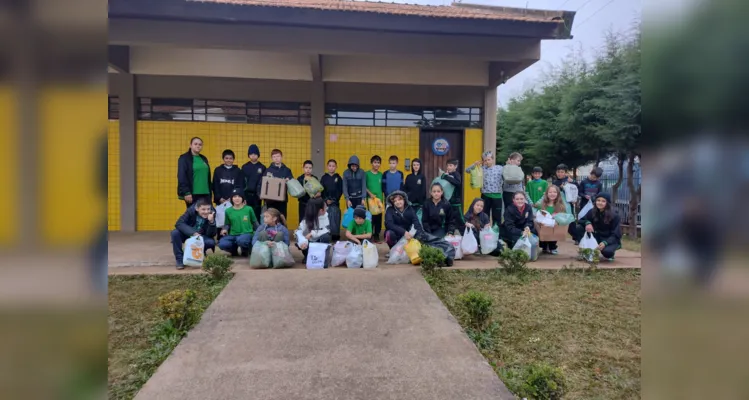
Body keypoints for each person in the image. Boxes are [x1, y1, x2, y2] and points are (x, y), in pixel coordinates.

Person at [170, 198, 217, 270]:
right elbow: (179, 223)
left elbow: (211, 234)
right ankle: (179, 259)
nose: (206, 211)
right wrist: (193, 233)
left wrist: (211, 222)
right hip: (188, 234)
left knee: (210, 242)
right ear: (197, 208)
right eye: (203, 209)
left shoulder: (212, 213)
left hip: (202, 236)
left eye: (208, 209)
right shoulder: (190, 211)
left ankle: (201, 253)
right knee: (175, 233)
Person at [577, 193, 621, 260]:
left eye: (603, 201)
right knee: (579, 228)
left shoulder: (614, 215)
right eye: (598, 200)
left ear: (608, 203)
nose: (600, 203)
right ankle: (586, 249)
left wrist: (605, 243)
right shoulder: (592, 211)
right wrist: (587, 223)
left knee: (607, 253)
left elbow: (616, 233)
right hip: (596, 236)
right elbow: (580, 220)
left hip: (608, 239)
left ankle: (612, 251)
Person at [466, 151, 503, 225]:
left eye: (489, 160)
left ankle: (497, 232)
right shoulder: (481, 168)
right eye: (485, 160)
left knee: (497, 216)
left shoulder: (500, 168)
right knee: (484, 215)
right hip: (485, 195)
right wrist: (474, 164)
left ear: (492, 159)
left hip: (497, 196)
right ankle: (484, 231)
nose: (487, 162)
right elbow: (467, 170)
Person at [218, 189, 259, 256]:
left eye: (239, 196)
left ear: (242, 198)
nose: (237, 198)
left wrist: (259, 232)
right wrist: (224, 229)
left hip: (246, 233)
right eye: (234, 196)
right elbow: (227, 224)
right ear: (232, 199)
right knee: (222, 244)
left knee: (242, 240)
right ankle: (233, 250)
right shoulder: (228, 211)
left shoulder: (249, 209)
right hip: (233, 235)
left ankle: (246, 249)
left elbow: (255, 223)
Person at [177, 137, 211, 209]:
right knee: (193, 217)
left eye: (200, 144)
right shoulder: (184, 158)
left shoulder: (203, 158)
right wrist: (186, 192)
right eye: (195, 144)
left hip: (206, 194)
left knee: (207, 216)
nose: (198, 146)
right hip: (192, 194)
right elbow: (181, 176)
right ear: (190, 145)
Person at [294, 198, 331, 263]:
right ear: (320, 210)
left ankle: (321, 256)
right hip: (309, 242)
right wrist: (301, 240)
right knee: (299, 238)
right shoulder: (306, 219)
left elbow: (327, 230)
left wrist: (312, 233)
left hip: (319, 241)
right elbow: (299, 231)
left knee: (326, 237)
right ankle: (307, 255)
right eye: (325, 207)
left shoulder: (325, 216)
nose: (326, 208)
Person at [535, 185, 569, 255]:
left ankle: (552, 247)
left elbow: (563, 217)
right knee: (542, 231)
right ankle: (544, 247)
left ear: (558, 194)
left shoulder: (561, 206)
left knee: (554, 231)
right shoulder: (542, 205)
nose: (552, 194)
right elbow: (538, 215)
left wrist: (558, 221)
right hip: (543, 225)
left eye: (554, 192)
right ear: (546, 194)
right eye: (550, 192)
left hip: (555, 225)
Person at [552, 163, 580, 243]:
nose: (559, 174)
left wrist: (573, 182)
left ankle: (576, 238)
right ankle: (555, 239)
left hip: (568, 204)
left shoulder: (570, 181)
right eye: (558, 172)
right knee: (557, 219)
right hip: (558, 204)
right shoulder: (555, 182)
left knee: (570, 220)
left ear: (565, 173)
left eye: (562, 172)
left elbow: (577, 189)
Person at [263, 149, 294, 220]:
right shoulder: (268, 170)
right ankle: (271, 231)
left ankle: (282, 231)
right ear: (272, 158)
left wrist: (288, 181)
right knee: (271, 218)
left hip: (282, 199)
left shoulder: (287, 170)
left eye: (278, 156)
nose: (276, 158)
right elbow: (264, 185)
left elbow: (292, 184)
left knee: (282, 217)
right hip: (270, 200)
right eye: (274, 157)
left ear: (281, 157)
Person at [241, 144, 266, 222]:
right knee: (246, 214)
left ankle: (256, 232)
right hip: (246, 194)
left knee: (257, 214)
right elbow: (242, 182)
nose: (253, 156)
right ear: (249, 155)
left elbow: (264, 182)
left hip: (257, 195)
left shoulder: (262, 167)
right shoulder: (245, 167)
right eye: (251, 154)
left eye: (255, 154)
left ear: (258, 155)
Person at [320, 159, 343, 241]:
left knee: (335, 219)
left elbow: (340, 190)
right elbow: (321, 190)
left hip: (335, 202)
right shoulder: (324, 177)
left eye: (333, 166)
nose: (331, 168)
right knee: (326, 219)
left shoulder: (338, 178)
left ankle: (335, 236)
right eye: (330, 166)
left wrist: (334, 200)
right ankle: (326, 236)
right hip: (325, 203)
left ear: (336, 167)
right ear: (327, 166)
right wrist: (326, 200)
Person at [366, 155, 385, 242]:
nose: (376, 164)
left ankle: (376, 234)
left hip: (379, 199)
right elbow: (364, 186)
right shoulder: (367, 174)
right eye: (375, 162)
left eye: (378, 163)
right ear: (371, 163)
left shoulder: (381, 175)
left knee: (379, 217)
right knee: (371, 217)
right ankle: (370, 234)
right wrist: (370, 194)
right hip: (370, 200)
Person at [296, 160, 321, 225]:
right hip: (302, 204)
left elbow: (319, 191)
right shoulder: (300, 179)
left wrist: (317, 194)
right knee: (302, 221)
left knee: (312, 221)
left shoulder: (314, 178)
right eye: (306, 167)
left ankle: (311, 234)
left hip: (312, 204)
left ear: (312, 169)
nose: (308, 170)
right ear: (303, 168)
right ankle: (301, 234)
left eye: (310, 168)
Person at [441, 159, 464, 224]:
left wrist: (446, 177)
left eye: (450, 165)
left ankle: (466, 231)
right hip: (447, 201)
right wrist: (443, 176)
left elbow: (458, 183)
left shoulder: (456, 174)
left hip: (456, 201)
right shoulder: (447, 174)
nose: (448, 167)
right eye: (447, 166)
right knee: (447, 217)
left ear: (455, 166)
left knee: (460, 219)